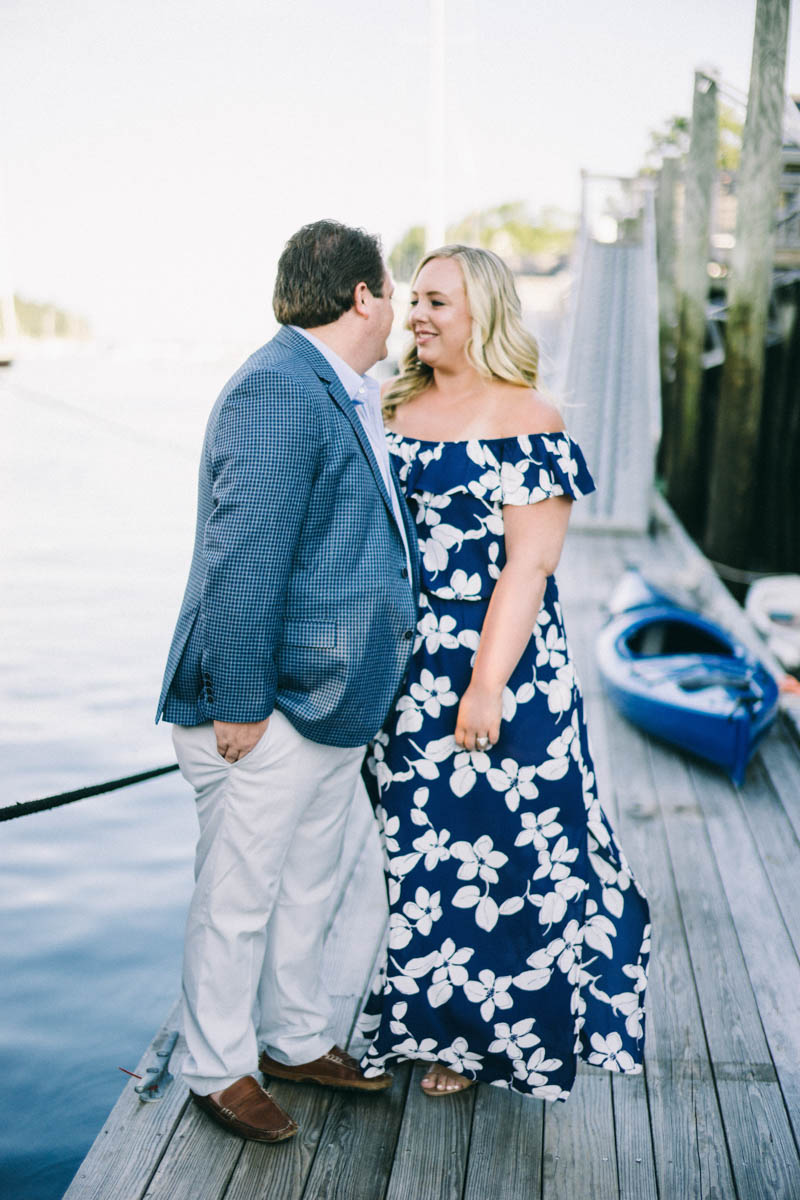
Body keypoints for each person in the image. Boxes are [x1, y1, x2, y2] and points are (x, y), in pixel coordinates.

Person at [357, 245, 650, 1099]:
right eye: (416, 301)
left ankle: (489, 1043)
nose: (417, 316)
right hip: (406, 671)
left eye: (437, 303)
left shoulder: (531, 417)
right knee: (423, 854)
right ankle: (433, 1021)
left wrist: (484, 686)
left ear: (481, 312)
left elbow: (529, 567)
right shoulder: (393, 405)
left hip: (505, 667)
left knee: (511, 853)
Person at [155, 220, 420, 1141]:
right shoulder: (276, 389)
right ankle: (217, 1068)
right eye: (390, 292)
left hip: (329, 706)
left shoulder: (339, 389)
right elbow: (243, 561)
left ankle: (295, 1036)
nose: (396, 311)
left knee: (310, 885)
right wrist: (238, 703)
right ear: (360, 298)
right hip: (269, 707)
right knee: (239, 898)